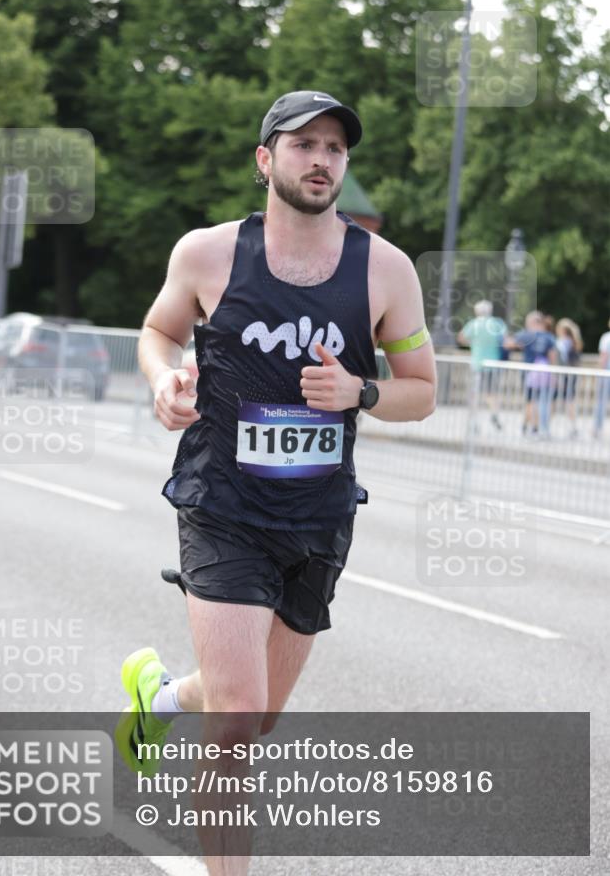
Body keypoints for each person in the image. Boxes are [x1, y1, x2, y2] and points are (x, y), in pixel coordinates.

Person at [116, 90, 437, 874]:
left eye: (334, 148)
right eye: (303, 144)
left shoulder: (385, 272)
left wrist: (359, 393)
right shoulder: (207, 254)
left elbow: (421, 390)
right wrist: (164, 380)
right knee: (236, 723)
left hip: (318, 514)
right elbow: (158, 332)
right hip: (220, 503)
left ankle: (159, 699)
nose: (321, 158)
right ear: (266, 161)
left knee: (248, 719)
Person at [505, 310, 557, 437]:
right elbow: (553, 357)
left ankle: (529, 426)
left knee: (530, 401)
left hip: (530, 373)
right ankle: (535, 426)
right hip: (545, 374)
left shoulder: (526, 335)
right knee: (542, 401)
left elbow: (508, 344)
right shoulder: (549, 336)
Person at [457, 300, 507, 430]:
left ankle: (474, 421)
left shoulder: (473, 324)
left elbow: (461, 338)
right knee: (491, 393)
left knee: (474, 394)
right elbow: (505, 340)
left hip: (477, 363)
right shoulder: (497, 324)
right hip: (493, 363)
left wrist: (473, 344)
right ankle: (494, 413)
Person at [554, 318, 583, 438]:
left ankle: (542, 426)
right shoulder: (574, 342)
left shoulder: (563, 342)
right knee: (569, 401)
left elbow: (560, 360)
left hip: (564, 375)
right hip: (571, 375)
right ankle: (573, 427)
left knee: (559, 401)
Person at [593, 318, 610, 439]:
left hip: (606, 374)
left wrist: (599, 372)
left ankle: (597, 428)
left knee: (601, 401)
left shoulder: (606, 338)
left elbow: (603, 358)